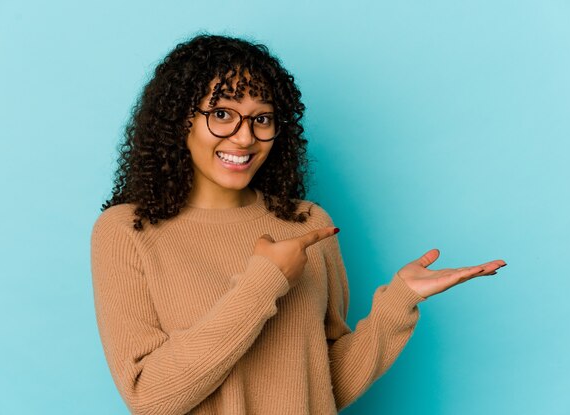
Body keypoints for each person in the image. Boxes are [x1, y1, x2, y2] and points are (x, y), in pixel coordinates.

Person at [90, 34, 506, 415]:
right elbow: (150, 398)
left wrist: (397, 304)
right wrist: (264, 281)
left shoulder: (308, 223)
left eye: (262, 119)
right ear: (180, 120)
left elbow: (324, 385)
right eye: (222, 114)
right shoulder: (127, 230)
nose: (244, 138)